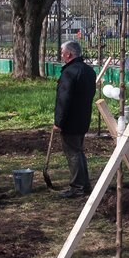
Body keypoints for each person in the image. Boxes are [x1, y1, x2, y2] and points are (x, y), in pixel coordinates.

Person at [54, 40, 95, 198]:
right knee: (78, 151)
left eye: (62, 52)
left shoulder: (69, 72)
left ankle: (77, 187)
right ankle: (84, 185)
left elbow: (64, 100)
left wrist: (59, 122)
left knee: (73, 153)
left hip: (70, 120)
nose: (61, 54)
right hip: (83, 118)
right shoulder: (88, 71)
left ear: (69, 54)